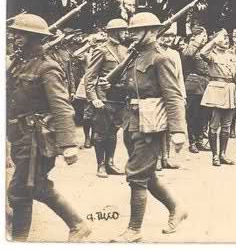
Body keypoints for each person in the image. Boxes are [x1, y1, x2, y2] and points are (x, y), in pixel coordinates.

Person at [7, 14, 92, 242]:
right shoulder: (18, 63)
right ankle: (77, 224)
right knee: (33, 187)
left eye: (20, 34)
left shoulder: (47, 67)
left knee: (20, 191)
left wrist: (68, 144)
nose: (14, 38)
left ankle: (19, 241)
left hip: (37, 140)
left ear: (33, 38)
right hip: (20, 137)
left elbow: (61, 107)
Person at [112, 12, 188, 242]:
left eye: (137, 30)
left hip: (151, 124)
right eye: (132, 30)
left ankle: (134, 230)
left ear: (153, 31)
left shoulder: (160, 58)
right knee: (147, 174)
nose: (132, 33)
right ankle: (177, 209)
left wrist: (178, 130)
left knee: (136, 175)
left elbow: (173, 96)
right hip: (132, 121)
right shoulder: (134, 55)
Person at [84, 18, 129, 178]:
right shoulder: (101, 50)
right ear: (114, 31)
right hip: (104, 99)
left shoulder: (125, 50)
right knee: (101, 132)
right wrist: (93, 97)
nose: (126, 33)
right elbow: (90, 77)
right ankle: (100, 165)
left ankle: (110, 163)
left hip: (119, 98)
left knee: (113, 132)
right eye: (123, 30)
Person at [200, 29, 236, 165]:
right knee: (214, 125)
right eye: (223, 38)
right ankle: (215, 156)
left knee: (226, 126)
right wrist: (214, 41)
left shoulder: (231, 54)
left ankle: (223, 154)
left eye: (227, 38)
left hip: (230, 91)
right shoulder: (212, 54)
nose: (226, 40)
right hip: (216, 91)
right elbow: (202, 53)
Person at [157, 26, 186, 170]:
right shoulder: (154, 52)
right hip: (157, 95)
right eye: (166, 35)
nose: (169, 38)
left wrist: (182, 95)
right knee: (157, 127)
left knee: (170, 127)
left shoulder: (174, 54)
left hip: (172, 94)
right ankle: (156, 158)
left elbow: (179, 76)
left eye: (172, 36)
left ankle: (165, 158)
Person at [182, 26, 210, 153]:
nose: (205, 38)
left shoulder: (206, 49)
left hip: (205, 85)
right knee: (192, 115)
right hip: (193, 85)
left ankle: (200, 140)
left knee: (203, 115)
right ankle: (192, 142)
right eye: (203, 36)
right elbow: (188, 54)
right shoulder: (189, 47)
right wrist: (197, 41)